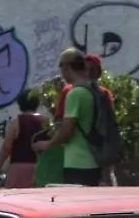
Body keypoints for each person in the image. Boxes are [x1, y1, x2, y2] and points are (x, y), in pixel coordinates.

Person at [34, 50, 101, 187]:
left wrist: (47, 145)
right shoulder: (94, 90)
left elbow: (66, 131)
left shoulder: (75, 93)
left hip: (77, 162)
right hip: (94, 160)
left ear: (66, 67)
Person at [0, 89, 46, 188]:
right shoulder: (45, 121)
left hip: (19, 168)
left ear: (20, 104)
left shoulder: (16, 122)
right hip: (41, 168)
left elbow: (7, 147)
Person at [84, 54, 122, 186]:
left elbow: (110, 124)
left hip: (99, 151)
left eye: (92, 70)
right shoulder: (72, 92)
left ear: (99, 73)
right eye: (85, 69)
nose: (88, 74)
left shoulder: (104, 94)